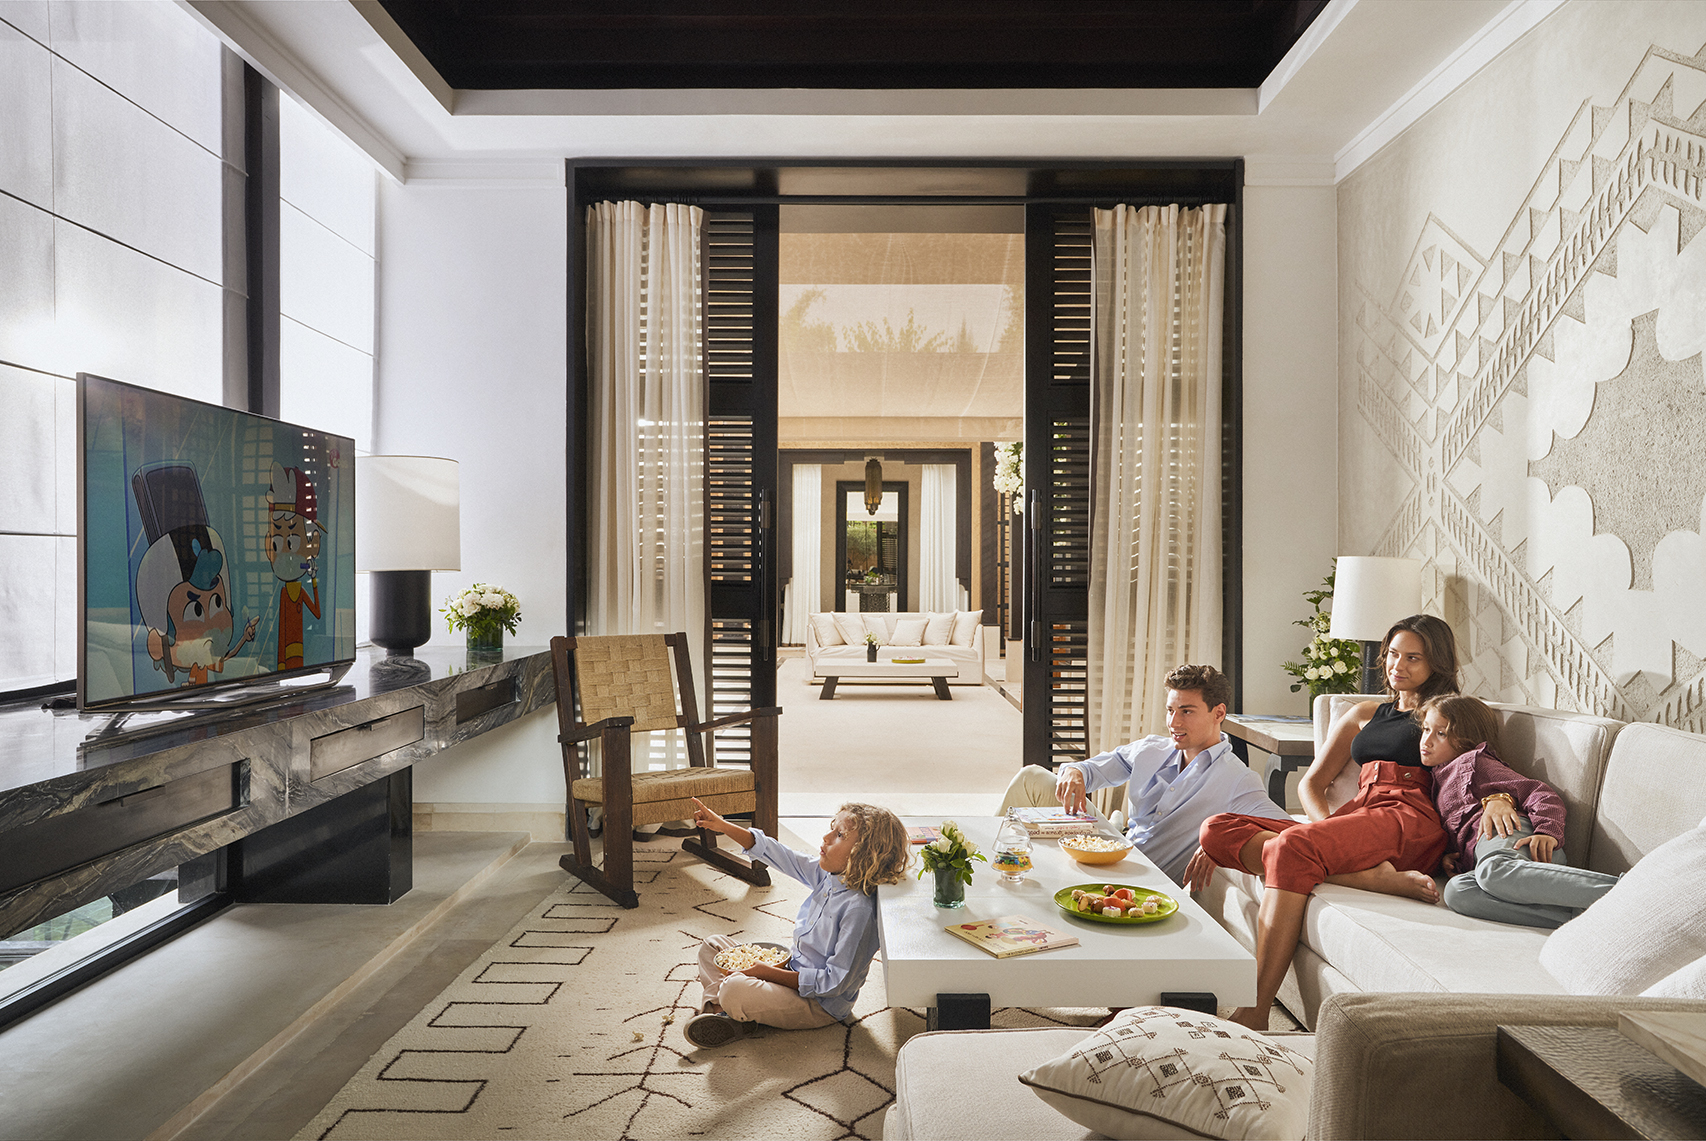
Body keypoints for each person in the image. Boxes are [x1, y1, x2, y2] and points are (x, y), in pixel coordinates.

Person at [1190, 613, 1460, 1030]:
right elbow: (1312, 783)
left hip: (1407, 817)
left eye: (1413, 658)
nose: (1398, 665)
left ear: (1436, 663)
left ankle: (1255, 1010)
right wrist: (1326, 830)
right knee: (1216, 829)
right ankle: (1371, 878)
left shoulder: (1446, 715)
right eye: (1393, 654)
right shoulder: (1364, 712)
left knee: (1289, 848)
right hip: (1361, 812)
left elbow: (1473, 776)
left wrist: (1489, 810)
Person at [998, 664, 1290, 885]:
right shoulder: (1151, 749)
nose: (1173, 722)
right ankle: (986, 865)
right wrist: (1075, 772)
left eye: (1186, 711)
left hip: (1143, 880)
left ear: (1219, 713)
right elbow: (1093, 770)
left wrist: (1222, 846)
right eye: (1170, 710)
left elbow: (1291, 832)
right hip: (1111, 848)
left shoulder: (1237, 780)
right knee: (1031, 778)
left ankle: (1114, 822)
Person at [682, 797, 910, 1049]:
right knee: (712, 946)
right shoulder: (828, 875)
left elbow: (834, 983)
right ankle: (721, 1014)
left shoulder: (859, 910)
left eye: (839, 835)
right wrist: (722, 825)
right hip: (791, 969)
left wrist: (767, 973)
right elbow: (780, 854)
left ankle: (731, 1011)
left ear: (864, 855)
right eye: (832, 828)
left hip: (819, 1004)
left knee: (734, 988)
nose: (826, 837)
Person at [1419, 694, 1618, 929]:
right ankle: (1583, 919)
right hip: (1494, 856)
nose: (1426, 741)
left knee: (1493, 871)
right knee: (1458, 892)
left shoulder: (1476, 762)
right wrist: (1454, 858)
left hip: (1518, 838)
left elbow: (1539, 793)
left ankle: (1629, 891)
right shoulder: (1440, 776)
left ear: (1466, 739)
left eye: (1441, 734)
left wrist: (1547, 832)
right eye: (1426, 729)